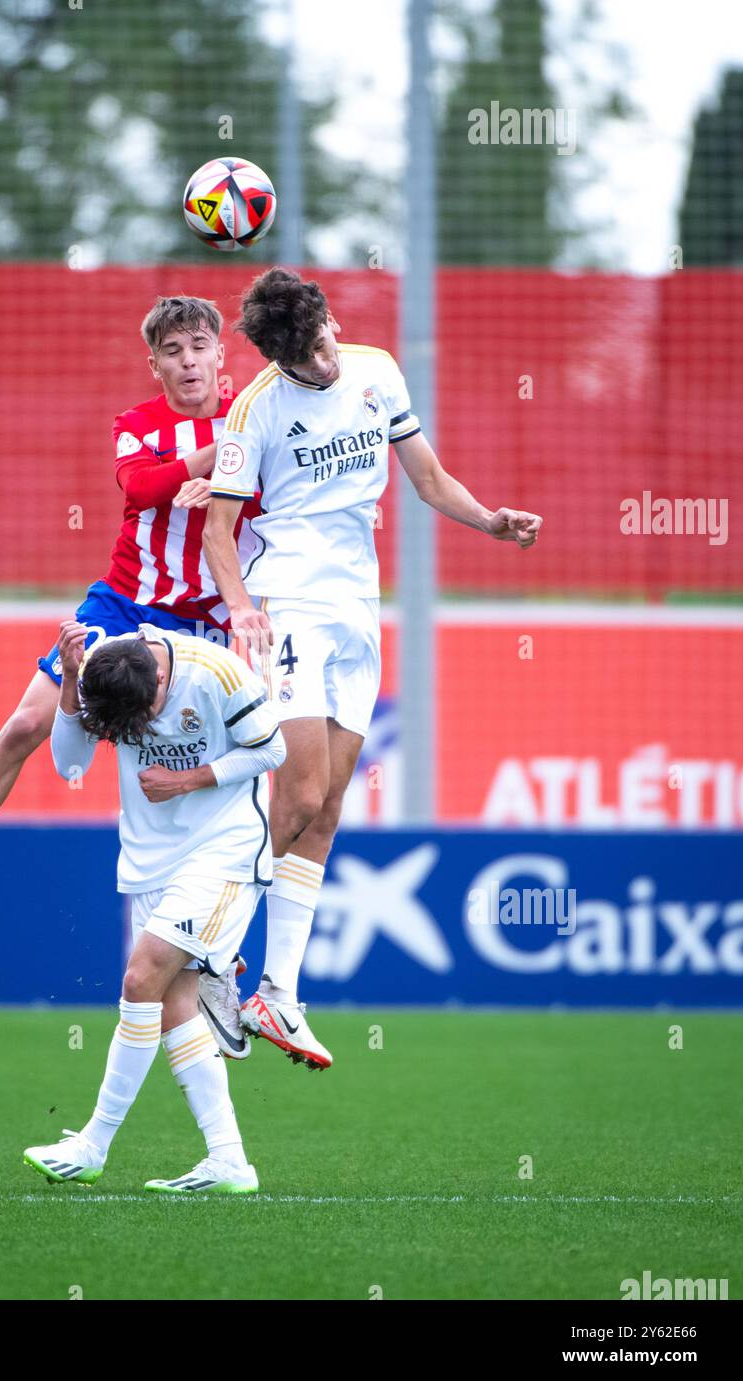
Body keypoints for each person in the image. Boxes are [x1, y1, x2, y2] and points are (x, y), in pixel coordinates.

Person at [203, 267, 543, 1070]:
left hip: (358, 608)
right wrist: (244, 607)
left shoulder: (378, 369)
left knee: (328, 810)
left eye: (323, 343)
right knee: (303, 790)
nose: (322, 363)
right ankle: (208, 948)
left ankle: (278, 994)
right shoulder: (255, 410)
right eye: (303, 357)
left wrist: (490, 520)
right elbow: (221, 534)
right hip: (290, 604)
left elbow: (427, 480)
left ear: (330, 320)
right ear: (276, 357)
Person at [0, 294, 256, 921]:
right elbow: (143, 485)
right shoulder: (139, 425)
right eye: (173, 351)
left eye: (199, 347)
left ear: (220, 352)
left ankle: (210, 939)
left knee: (203, 776)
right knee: (24, 724)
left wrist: (238, 475)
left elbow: (269, 505)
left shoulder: (251, 417)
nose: (188, 362)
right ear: (155, 364)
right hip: (122, 604)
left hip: (202, 625)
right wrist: (229, 457)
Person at [23, 617, 284, 1194]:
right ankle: (229, 1162)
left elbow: (273, 749)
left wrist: (191, 778)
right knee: (173, 1006)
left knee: (140, 980)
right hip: (149, 861)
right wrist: (68, 682)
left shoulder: (217, 671)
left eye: (145, 718)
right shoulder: (100, 670)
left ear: (162, 678)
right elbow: (70, 766)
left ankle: (93, 1144)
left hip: (226, 849)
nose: (140, 730)